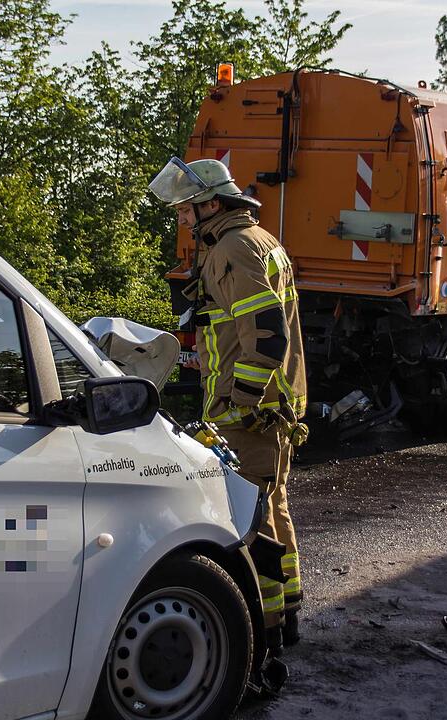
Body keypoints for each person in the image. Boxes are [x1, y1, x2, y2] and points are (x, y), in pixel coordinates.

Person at [150, 157, 308, 655]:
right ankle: (286, 612)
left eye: (187, 210)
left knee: (249, 520)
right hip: (275, 406)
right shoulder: (258, 240)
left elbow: (266, 335)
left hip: (250, 413)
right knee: (272, 506)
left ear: (212, 205)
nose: (183, 220)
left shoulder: (233, 249)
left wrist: (241, 401)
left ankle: (263, 635)